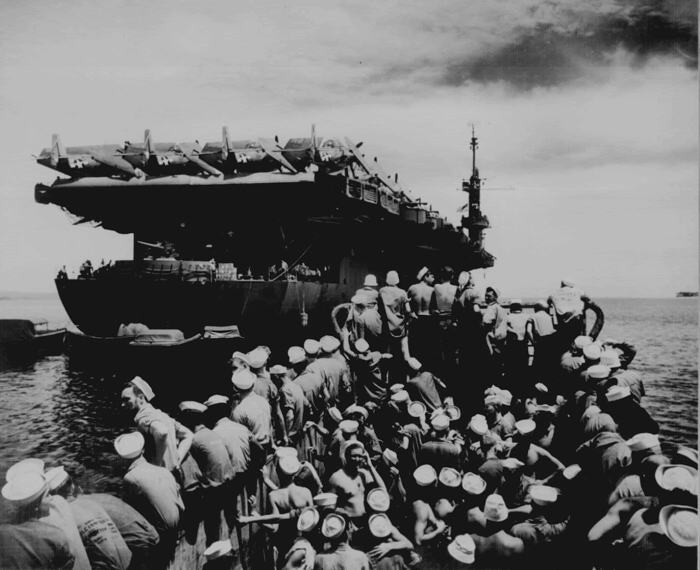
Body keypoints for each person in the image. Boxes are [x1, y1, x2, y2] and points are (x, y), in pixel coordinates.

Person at [115, 431, 184, 551]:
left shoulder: (130, 478)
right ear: (142, 451)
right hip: (178, 527)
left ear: (122, 458)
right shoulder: (163, 471)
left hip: (160, 535)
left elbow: (128, 514)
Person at [0, 470, 76, 570]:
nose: (51, 498)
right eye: (47, 495)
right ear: (35, 506)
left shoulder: (3, 531)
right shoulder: (54, 535)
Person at [120, 377, 193, 472]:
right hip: (172, 475)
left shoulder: (143, 418)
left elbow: (162, 432)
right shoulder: (163, 415)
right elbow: (189, 435)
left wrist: (159, 466)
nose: (122, 404)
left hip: (159, 476)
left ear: (141, 398)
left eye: (126, 399)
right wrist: (176, 460)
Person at [327, 441, 386, 521]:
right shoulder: (337, 477)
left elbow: (382, 490)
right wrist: (340, 513)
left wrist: (370, 466)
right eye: (354, 456)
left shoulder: (364, 474)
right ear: (346, 457)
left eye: (360, 456)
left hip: (366, 521)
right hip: (349, 523)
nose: (357, 459)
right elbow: (328, 506)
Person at [249, 348, 289, 445]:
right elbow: (278, 413)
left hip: (250, 431)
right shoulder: (270, 385)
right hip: (267, 432)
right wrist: (284, 435)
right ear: (265, 363)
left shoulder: (246, 383)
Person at [231, 368, 274, 448]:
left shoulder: (239, 410)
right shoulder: (264, 401)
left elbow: (237, 437)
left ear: (235, 388)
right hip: (267, 446)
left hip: (253, 450)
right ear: (253, 385)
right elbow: (269, 424)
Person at [548, 277, 590, 351]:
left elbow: (549, 301)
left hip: (562, 322)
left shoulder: (554, 293)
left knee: (564, 343)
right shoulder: (579, 291)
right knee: (577, 342)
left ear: (562, 284)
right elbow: (588, 298)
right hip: (577, 321)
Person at [270, 365, 308, 445]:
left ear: (276, 376)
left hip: (291, 435)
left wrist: (286, 436)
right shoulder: (296, 386)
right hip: (298, 432)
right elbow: (307, 405)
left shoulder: (285, 390)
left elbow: (289, 416)